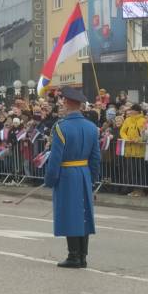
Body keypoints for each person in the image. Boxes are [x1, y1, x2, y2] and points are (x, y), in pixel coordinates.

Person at [44, 87, 101, 269]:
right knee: (83, 213)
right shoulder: (92, 127)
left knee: (70, 214)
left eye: (63, 102)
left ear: (68, 103)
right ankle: (82, 256)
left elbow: (55, 158)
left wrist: (50, 179)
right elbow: (96, 158)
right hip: (84, 172)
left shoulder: (61, 127)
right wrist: (92, 179)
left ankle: (74, 256)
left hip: (67, 174)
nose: (61, 105)